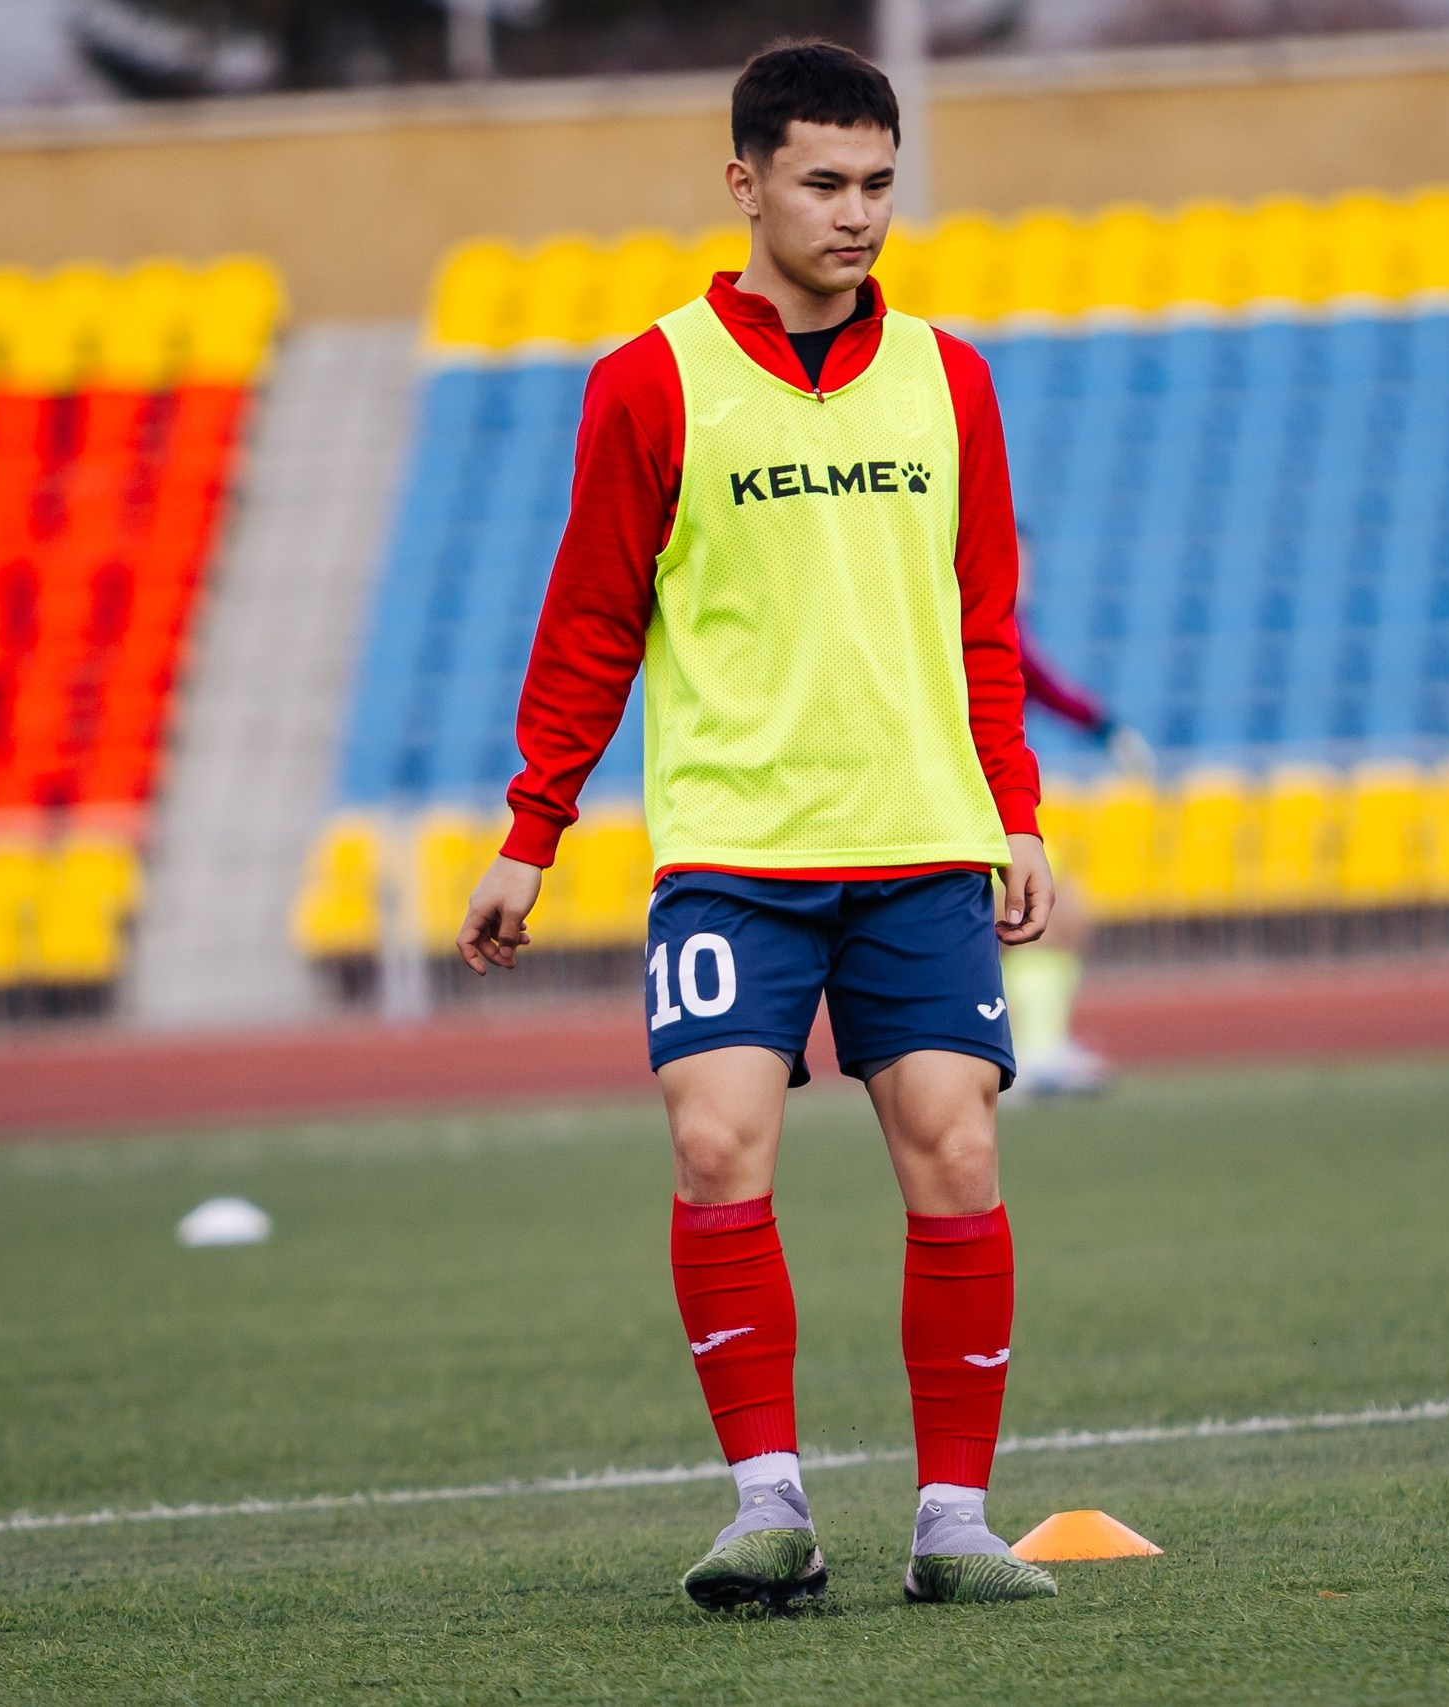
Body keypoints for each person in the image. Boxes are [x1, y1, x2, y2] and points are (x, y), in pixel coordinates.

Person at [453, 39, 1058, 1612]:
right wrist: (536, 828)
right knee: (718, 1141)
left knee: (960, 1151)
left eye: (878, 184)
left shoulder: (952, 377)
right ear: (746, 182)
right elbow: (590, 620)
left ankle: (952, 1522)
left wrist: (1016, 809)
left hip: (922, 837)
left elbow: (984, 616)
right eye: (824, 182)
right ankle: (768, 1504)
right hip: (733, 848)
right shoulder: (649, 382)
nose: (857, 215)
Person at [1004, 531, 1149, 1095]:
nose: (1027, 575)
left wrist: (1103, 727)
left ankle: (1037, 1046)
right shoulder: (980, 621)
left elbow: (1042, 685)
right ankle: (1030, 1053)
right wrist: (1105, 727)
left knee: (1052, 917)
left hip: (1001, 799)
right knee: (1047, 914)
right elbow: (1043, 684)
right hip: (981, 801)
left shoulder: (1007, 626)